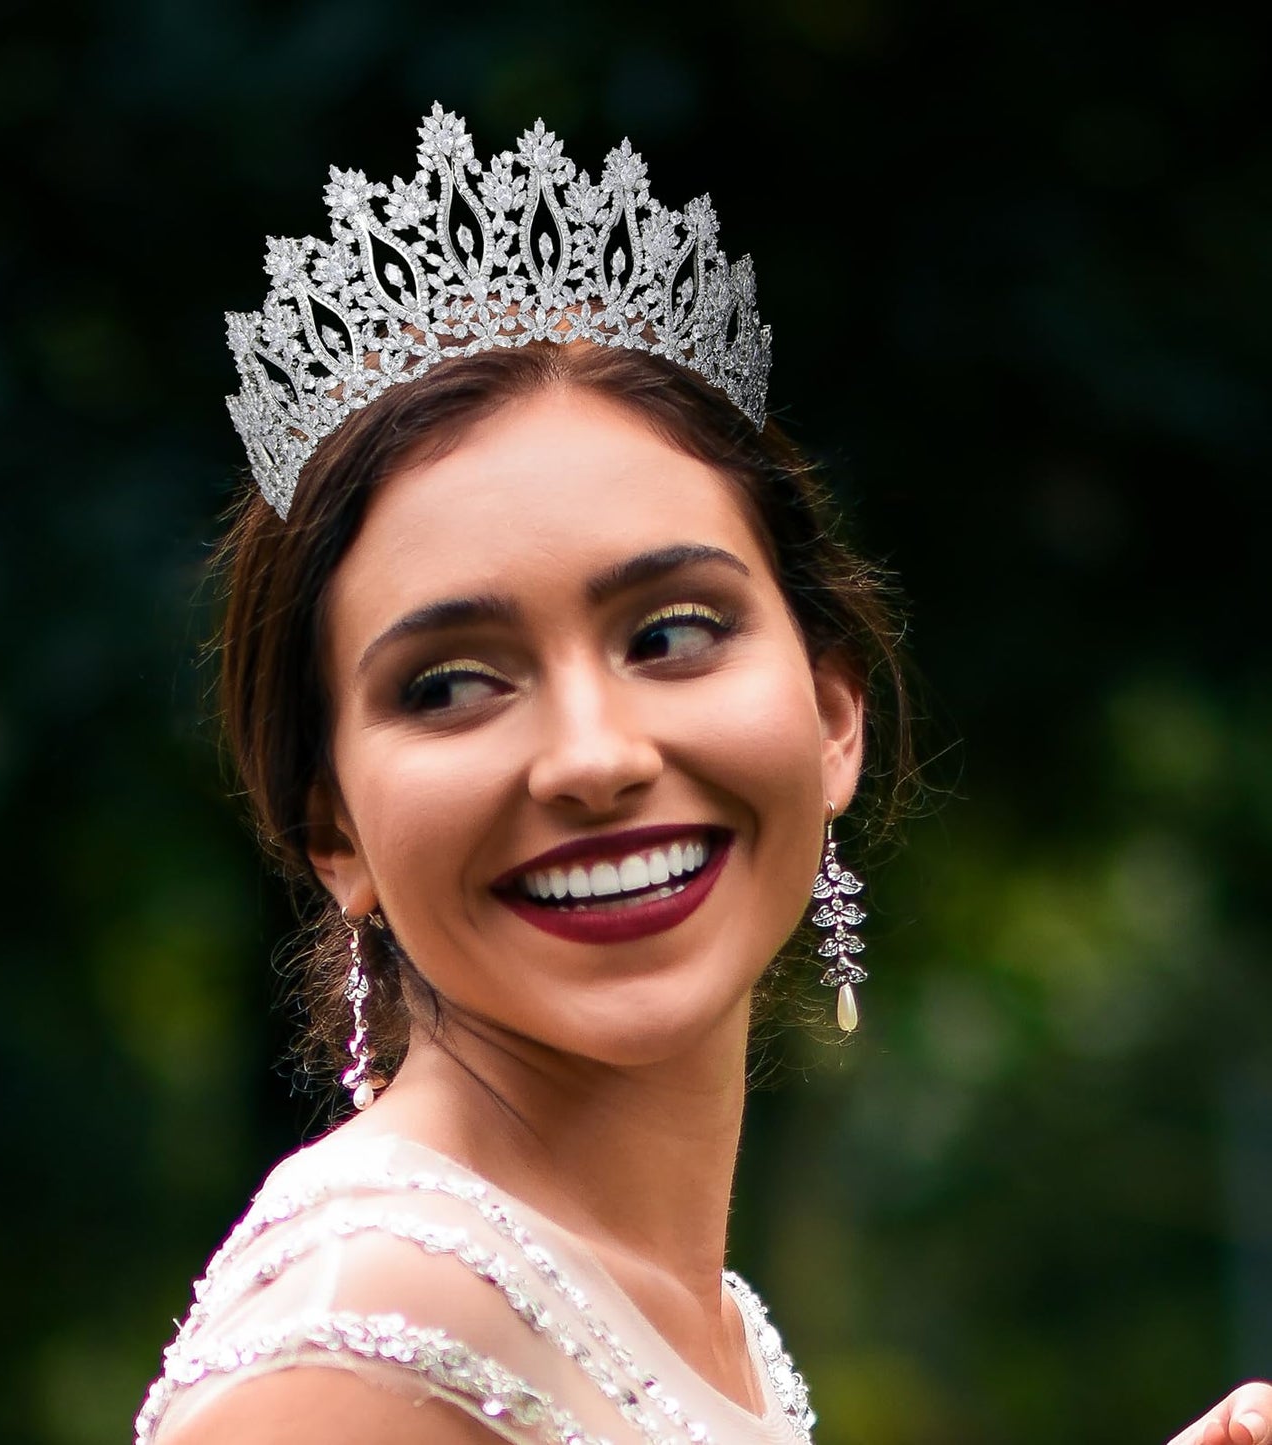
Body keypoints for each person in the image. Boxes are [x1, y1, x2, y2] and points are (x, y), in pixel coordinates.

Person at [135, 105, 1269, 1445]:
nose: (595, 757)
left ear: (832, 709)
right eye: (450, 683)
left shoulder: (699, 1314)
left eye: (669, 634)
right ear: (332, 829)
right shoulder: (365, 1351)